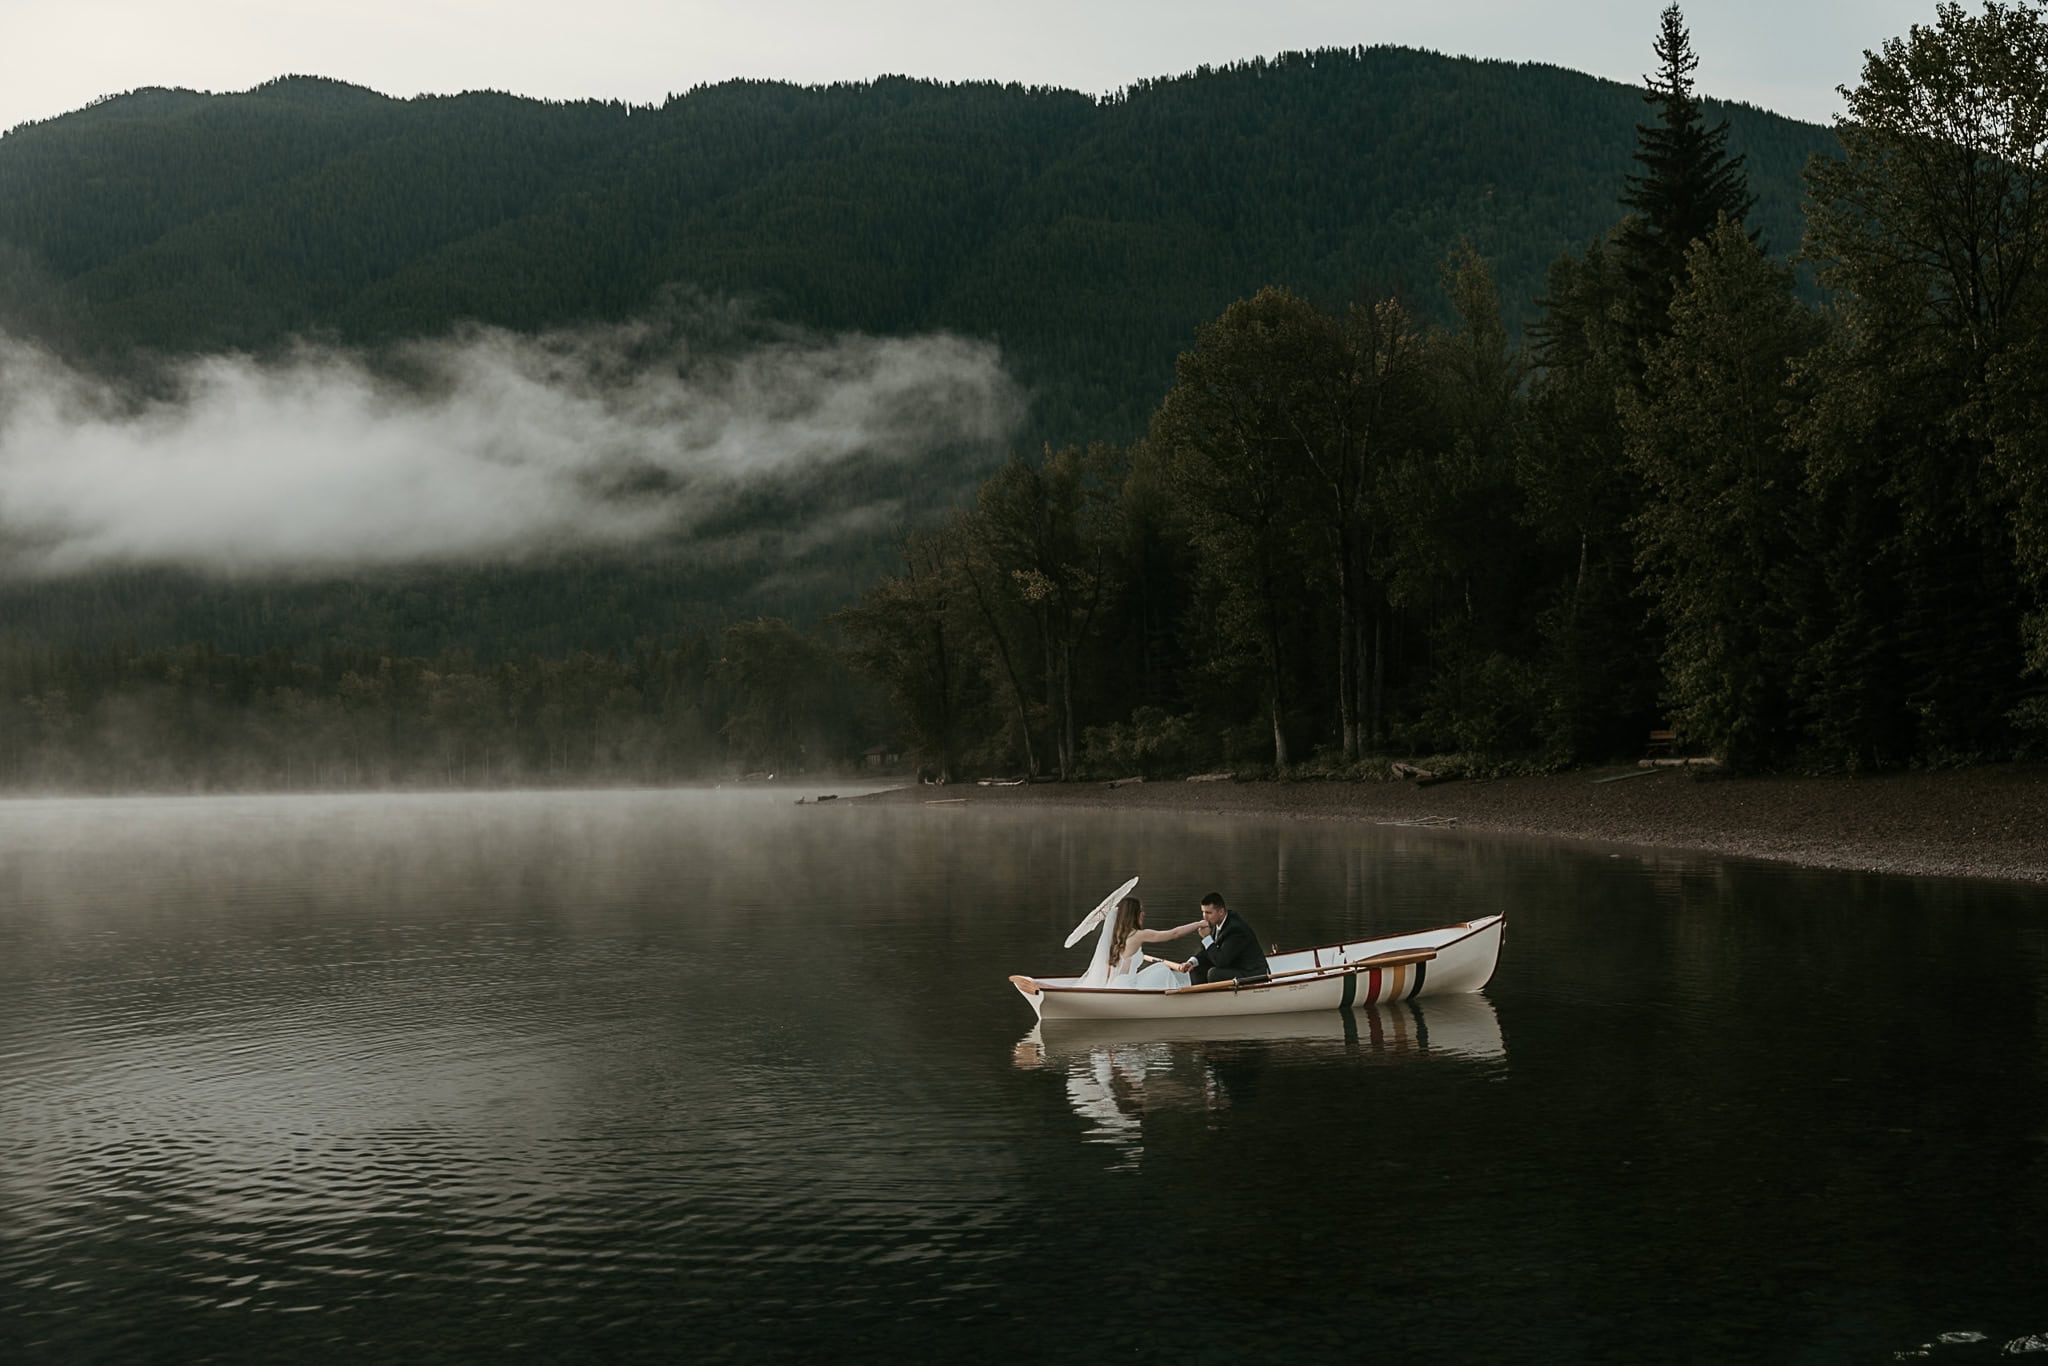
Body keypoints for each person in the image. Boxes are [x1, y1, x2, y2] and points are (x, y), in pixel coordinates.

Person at [1104, 896, 1205, 987]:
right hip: (1128, 986)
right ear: (1133, 914)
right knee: (1162, 969)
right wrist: (1198, 924)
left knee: (1160, 969)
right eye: (1140, 910)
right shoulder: (1138, 935)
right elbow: (1175, 933)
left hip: (1116, 984)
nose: (1143, 913)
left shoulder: (1116, 937)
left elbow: (1108, 972)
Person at [1176, 892, 1270, 985]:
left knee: (1214, 973)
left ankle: (1216, 999)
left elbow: (1221, 962)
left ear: (1221, 912)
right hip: (1234, 967)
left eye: (1208, 912)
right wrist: (1191, 962)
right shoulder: (1217, 923)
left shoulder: (1236, 929)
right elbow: (1206, 951)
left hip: (1253, 974)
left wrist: (1206, 938)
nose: (1204, 916)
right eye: (1203, 912)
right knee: (1196, 968)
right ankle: (1201, 997)